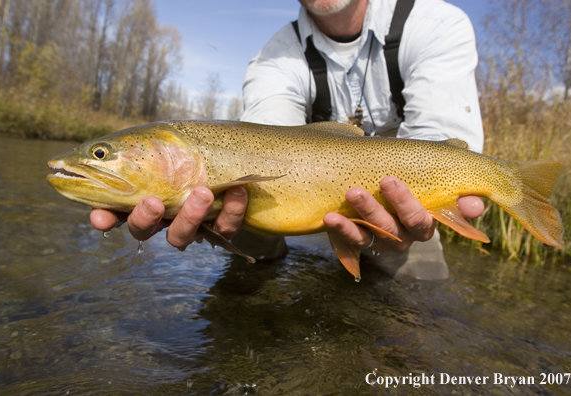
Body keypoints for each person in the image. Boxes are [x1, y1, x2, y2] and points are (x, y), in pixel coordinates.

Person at [90, 0, 485, 279]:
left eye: (102, 155)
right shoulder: (274, 56)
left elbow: (442, 144)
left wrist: (423, 209)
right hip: (294, 190)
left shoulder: (434, 23)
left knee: (419, 282)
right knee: (242, 217)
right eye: (102, 155)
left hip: (402, 205)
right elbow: (263, 142)